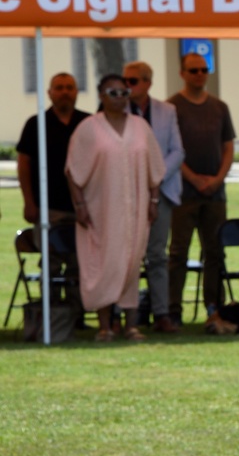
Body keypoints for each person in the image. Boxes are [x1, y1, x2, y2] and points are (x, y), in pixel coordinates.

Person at [66, 74, 165, 342]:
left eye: (124, 93)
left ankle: (132, 325)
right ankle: (105, 325)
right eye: (113, 93)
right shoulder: (89, 128)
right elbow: (73, 172)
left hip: (136, 208)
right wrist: (80, 205)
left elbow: (154, 169)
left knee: (133, 260)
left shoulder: (140, 126)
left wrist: (154, 201)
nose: (120, 98)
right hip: (101, 209)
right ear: (101, 95)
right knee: (105, 262)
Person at [167, 52, 236, 329]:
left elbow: (229, 146)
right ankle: (172, 310)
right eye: (193, 70)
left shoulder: (220, 107)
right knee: (178, 253)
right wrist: (194, 179)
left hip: (216, 195)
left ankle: (214, 307)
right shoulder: (172, 107)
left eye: (203, 70)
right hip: (183, 193)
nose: (199, 75)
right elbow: (170, 149)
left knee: (215, 252)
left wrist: (218, 178)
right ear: (182, 73)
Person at [16, 73, 89, 324]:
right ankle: (51, 314)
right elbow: (24, 164)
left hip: (83, 208)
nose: (65, 92)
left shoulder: (87, 123)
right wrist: (29, 201)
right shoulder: (36, 123)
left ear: (76, 92)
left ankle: (75, 314)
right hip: (49, 207)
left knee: (79, 264)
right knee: (52, 263)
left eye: (69, 87)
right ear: (49, 93)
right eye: (59, 88)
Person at [123, 61, 185, 334]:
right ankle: (128, 315)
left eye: (133, 81)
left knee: (157, 255)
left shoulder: (166, 111)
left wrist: (155, 178)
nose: (128, 87)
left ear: (148, 82)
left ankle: (162, 313)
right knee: (128, 255)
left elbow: (177, 150)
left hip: (162, 191)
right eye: (125, 81)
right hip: (125, 193)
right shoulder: (115, 111)